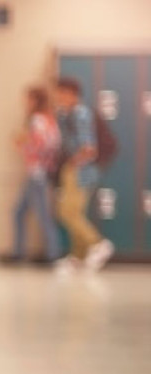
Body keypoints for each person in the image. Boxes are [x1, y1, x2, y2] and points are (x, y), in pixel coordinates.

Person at [53, 77, 114, 272]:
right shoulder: (65, 115)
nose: (58, 97)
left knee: (67, 212)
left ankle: (97, 243)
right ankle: (78, 257)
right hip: (72, 168)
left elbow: (89, 149)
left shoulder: (81, 114)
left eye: (61, 93)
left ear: (72, 94)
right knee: (73, 213)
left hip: (80, 170)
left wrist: (73, 163)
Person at [11, 87, 61, 263]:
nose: (25, 103)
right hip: (41, 172)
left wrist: (21, 144)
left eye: (28, 99)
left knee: (42, 214)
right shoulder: (50, 120)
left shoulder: (37, 120)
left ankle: (52, 254)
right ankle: (18, 253)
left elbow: (40, 144)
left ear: (35, 101)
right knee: (19, 212)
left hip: (37, 172)